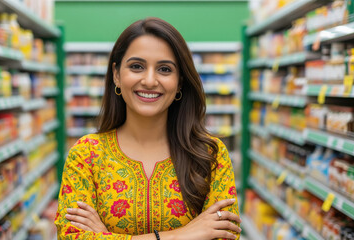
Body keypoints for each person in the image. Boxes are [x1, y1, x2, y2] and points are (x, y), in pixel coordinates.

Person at [55, 17, 241, 240]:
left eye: (164, 69)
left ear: (180, 81)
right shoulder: (86, 154)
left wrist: (105, 236)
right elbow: (70, 236)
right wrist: (182, 235)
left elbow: (225, 236)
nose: (150, 80)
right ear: (116, 75)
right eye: (136, 66)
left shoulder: (211, 154)